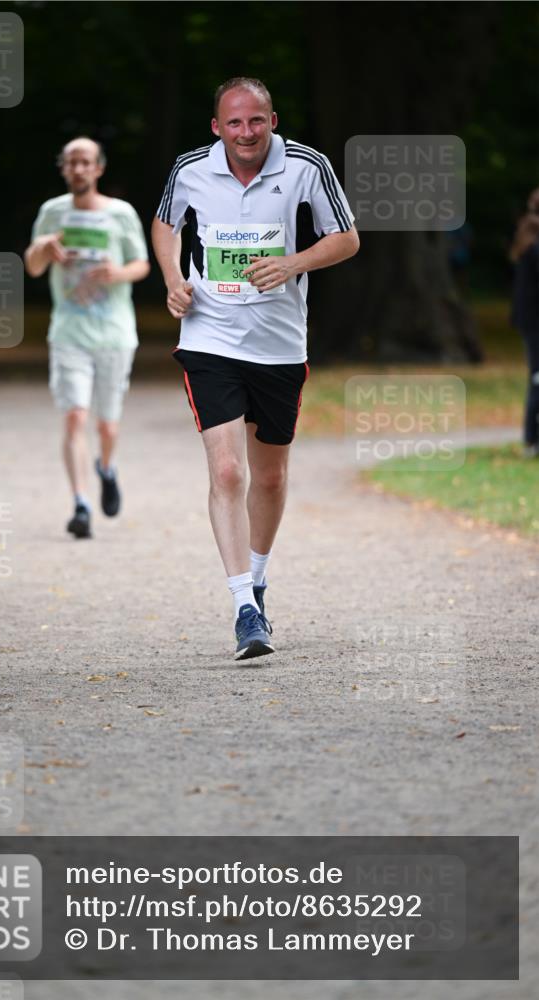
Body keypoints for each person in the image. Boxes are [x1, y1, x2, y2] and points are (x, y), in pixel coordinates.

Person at [152, 77, 359, 659]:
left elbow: (347, 238)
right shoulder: (190, 168)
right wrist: (173, 280)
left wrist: (293, 262)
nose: (247, 133)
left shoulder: (306, 166)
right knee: (227, 473)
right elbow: (166, 223)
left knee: (268, 477)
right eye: (234, 123)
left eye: (257, 121)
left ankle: (260, 579)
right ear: (217, 127)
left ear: (273, 120)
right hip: (210, 337)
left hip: (279, 346)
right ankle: (244, 607)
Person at [25, 137, 150, 538]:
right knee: (75, 415)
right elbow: (33, 266)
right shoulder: (52, 212)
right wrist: (44, 247)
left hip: (114, 333)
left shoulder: (121, 214)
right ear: (63, 168)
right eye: (71, 162)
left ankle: (107, 469)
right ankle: (80, 504)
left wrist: (119, 273)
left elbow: (143, 264)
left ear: (99, 168)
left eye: (86, 162)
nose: (78, 169)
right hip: (68, 330)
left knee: (107, 427)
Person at [509, 187, 539, 458]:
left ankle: (532, 439)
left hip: (528, 321)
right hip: (534, 322)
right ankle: (532, 439)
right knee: (537, 379)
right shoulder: (535, 245)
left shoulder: (528, 237)